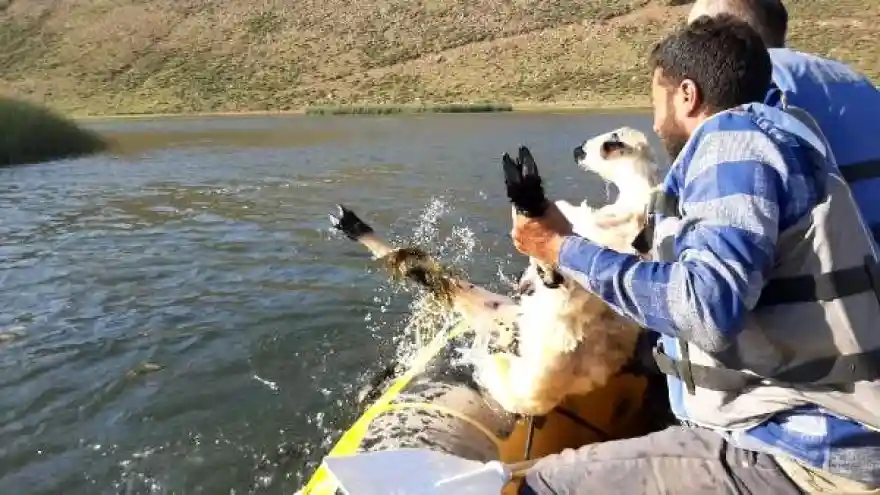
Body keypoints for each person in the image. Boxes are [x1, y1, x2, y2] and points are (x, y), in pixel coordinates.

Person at [510, 14, 880, 495]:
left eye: (655, 98)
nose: (654, 118)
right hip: (807, 430)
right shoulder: (786, 135)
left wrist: (561, 249)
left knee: (542, 485)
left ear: (687, 94)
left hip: (803, 453)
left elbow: (703, 308)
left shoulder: (732, 146)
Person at [688, 0, 880, 246]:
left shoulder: (747, 83)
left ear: (722, 35)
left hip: (829, 265)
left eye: (694, 34)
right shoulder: (854, 78)